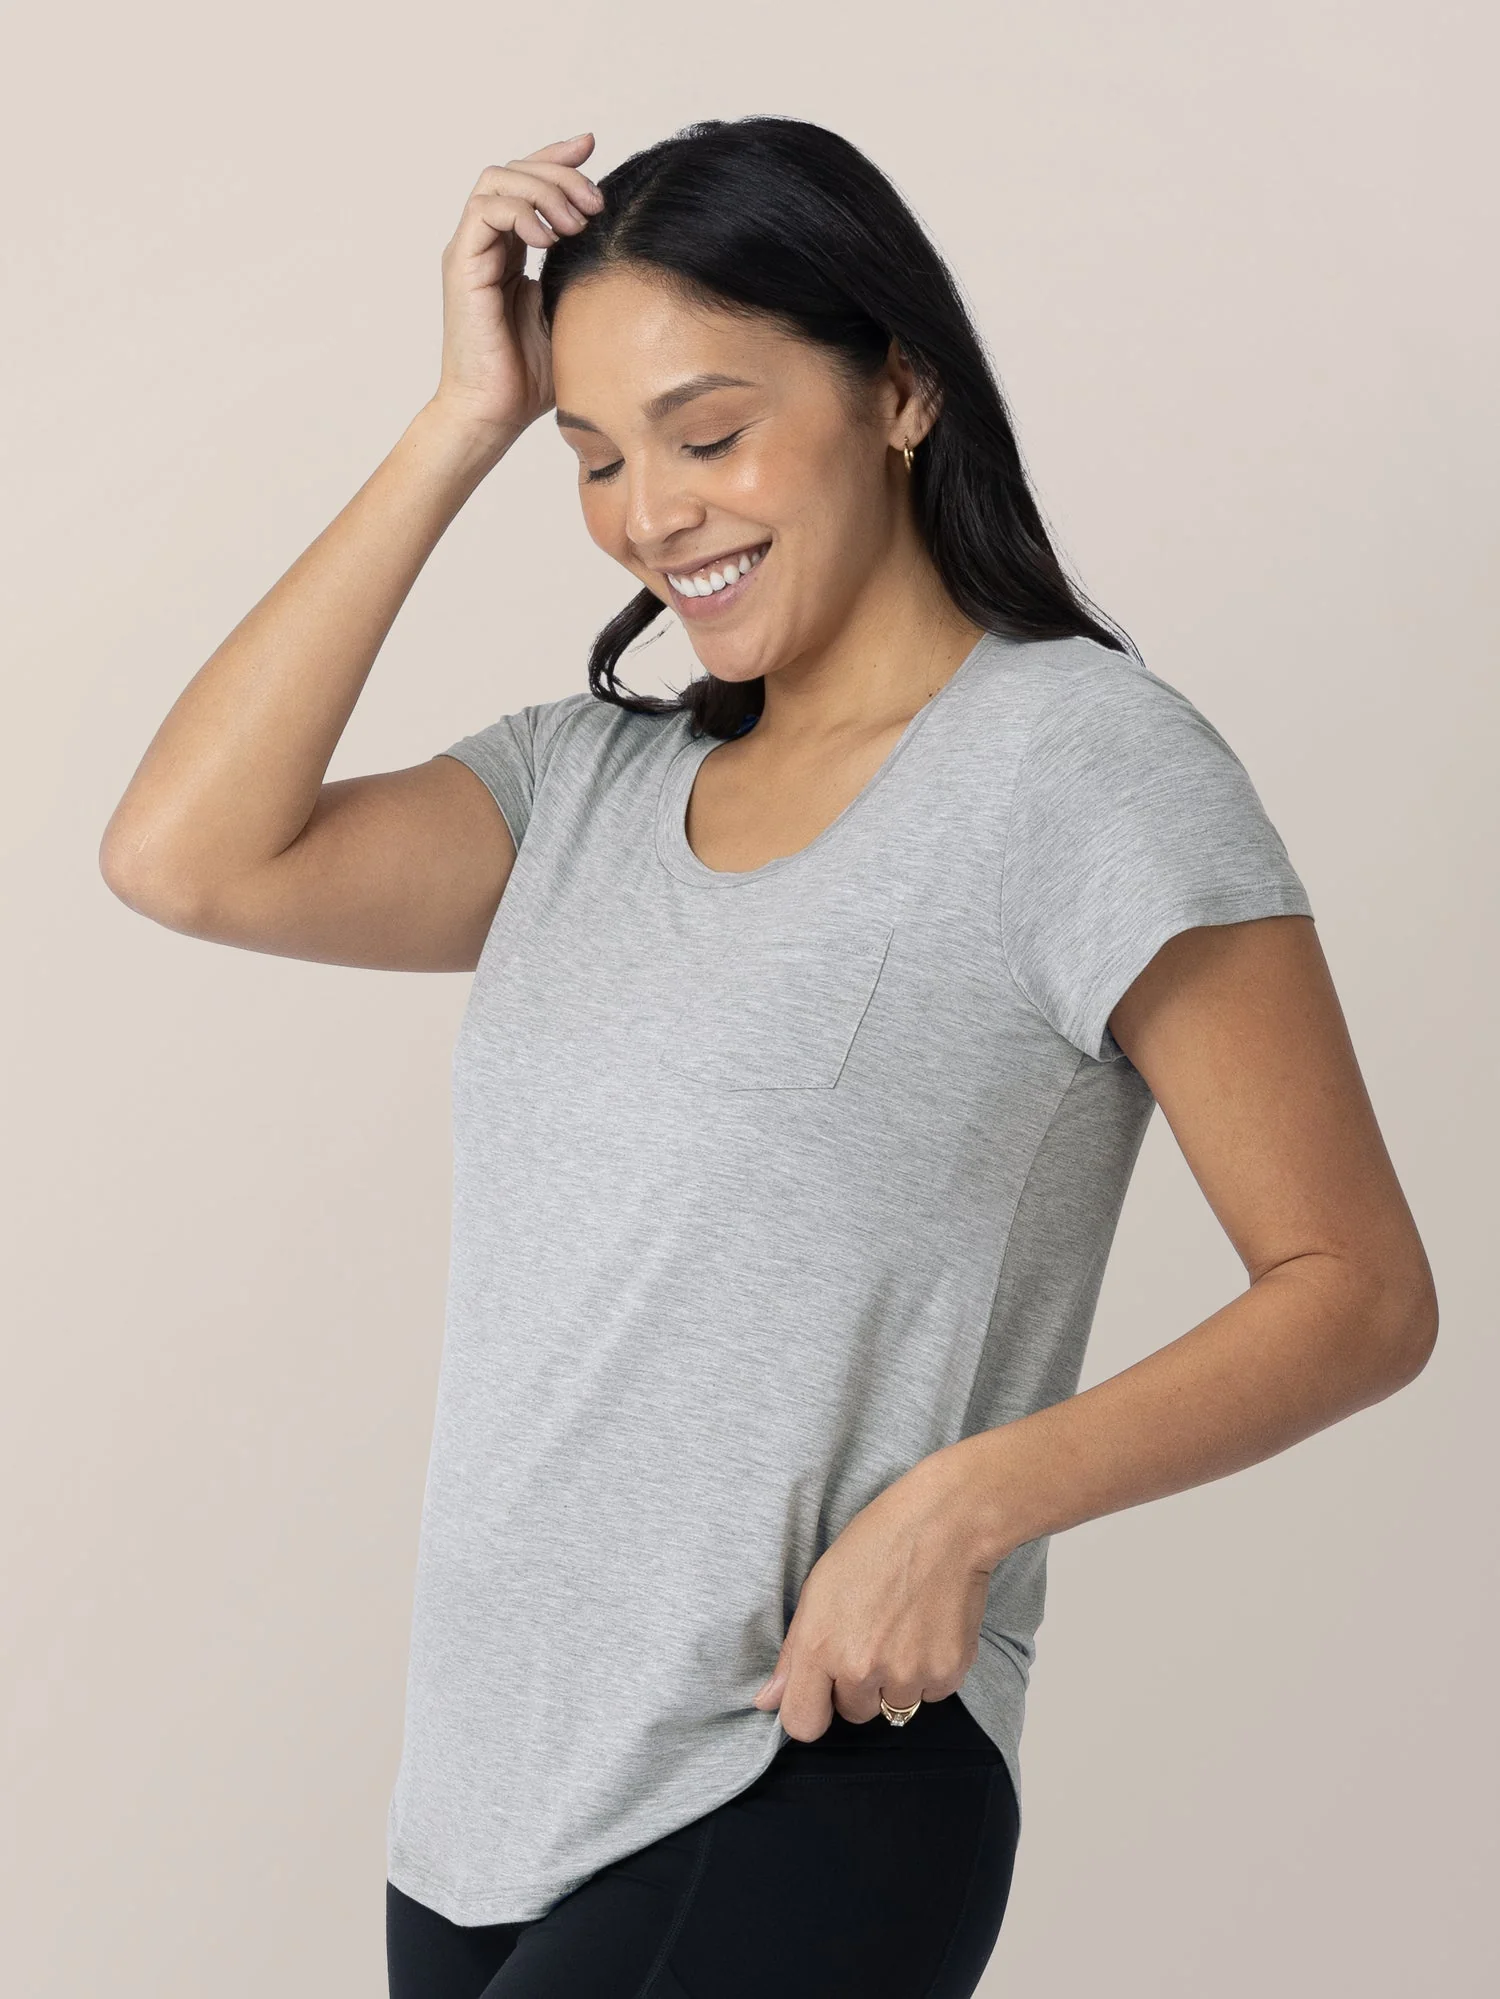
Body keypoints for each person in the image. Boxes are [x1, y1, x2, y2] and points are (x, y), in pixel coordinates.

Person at [99, 116, 1439, 1999]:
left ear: (899, 387)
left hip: (800, 1764)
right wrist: (462, 419)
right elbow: (185, 855)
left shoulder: (1080, 768)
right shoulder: (579, 785)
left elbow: (1358, 1287)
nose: (653, 513)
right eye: (595, 457)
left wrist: (967, 1502)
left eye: (708, 434)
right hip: (483, 1805)